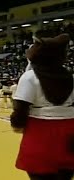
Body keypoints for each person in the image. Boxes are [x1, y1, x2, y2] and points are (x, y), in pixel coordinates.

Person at [10, 33, 74, 180]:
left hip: (40, 129)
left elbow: (21, 107)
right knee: (65, 173)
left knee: (40, 174)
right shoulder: (70, 76)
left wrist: (17, 124)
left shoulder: (29, 77)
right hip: (70, 129)